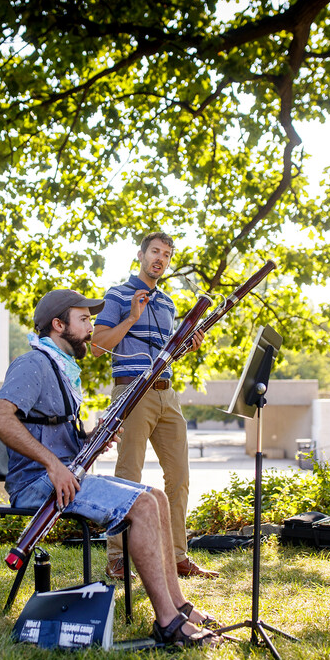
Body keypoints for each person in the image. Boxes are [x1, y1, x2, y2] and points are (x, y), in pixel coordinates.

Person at [0, 288, 220, 647]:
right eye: (84, 320)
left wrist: (90, 437)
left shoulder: (62, 368)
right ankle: (169, 623)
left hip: (65, 476)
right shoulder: (33, 364)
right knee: (141, 506)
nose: (92, 327)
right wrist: (53, 464)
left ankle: (180, 605)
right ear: (59, 325)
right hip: (38, 483)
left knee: (155, 496)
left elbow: (51, 432)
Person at [91, 232, 220, 580]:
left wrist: (187, 346)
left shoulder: (168, 305)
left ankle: (178, 556)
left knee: (179, 478)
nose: (160, 258)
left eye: (167, 253)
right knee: (128, 477)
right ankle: (117, 558)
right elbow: (98, 346)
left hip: (167, 394)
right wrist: (131, 317)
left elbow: (165, 353)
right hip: (132, 392)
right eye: (155, 252)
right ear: (141, 255)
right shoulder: (117, 294)